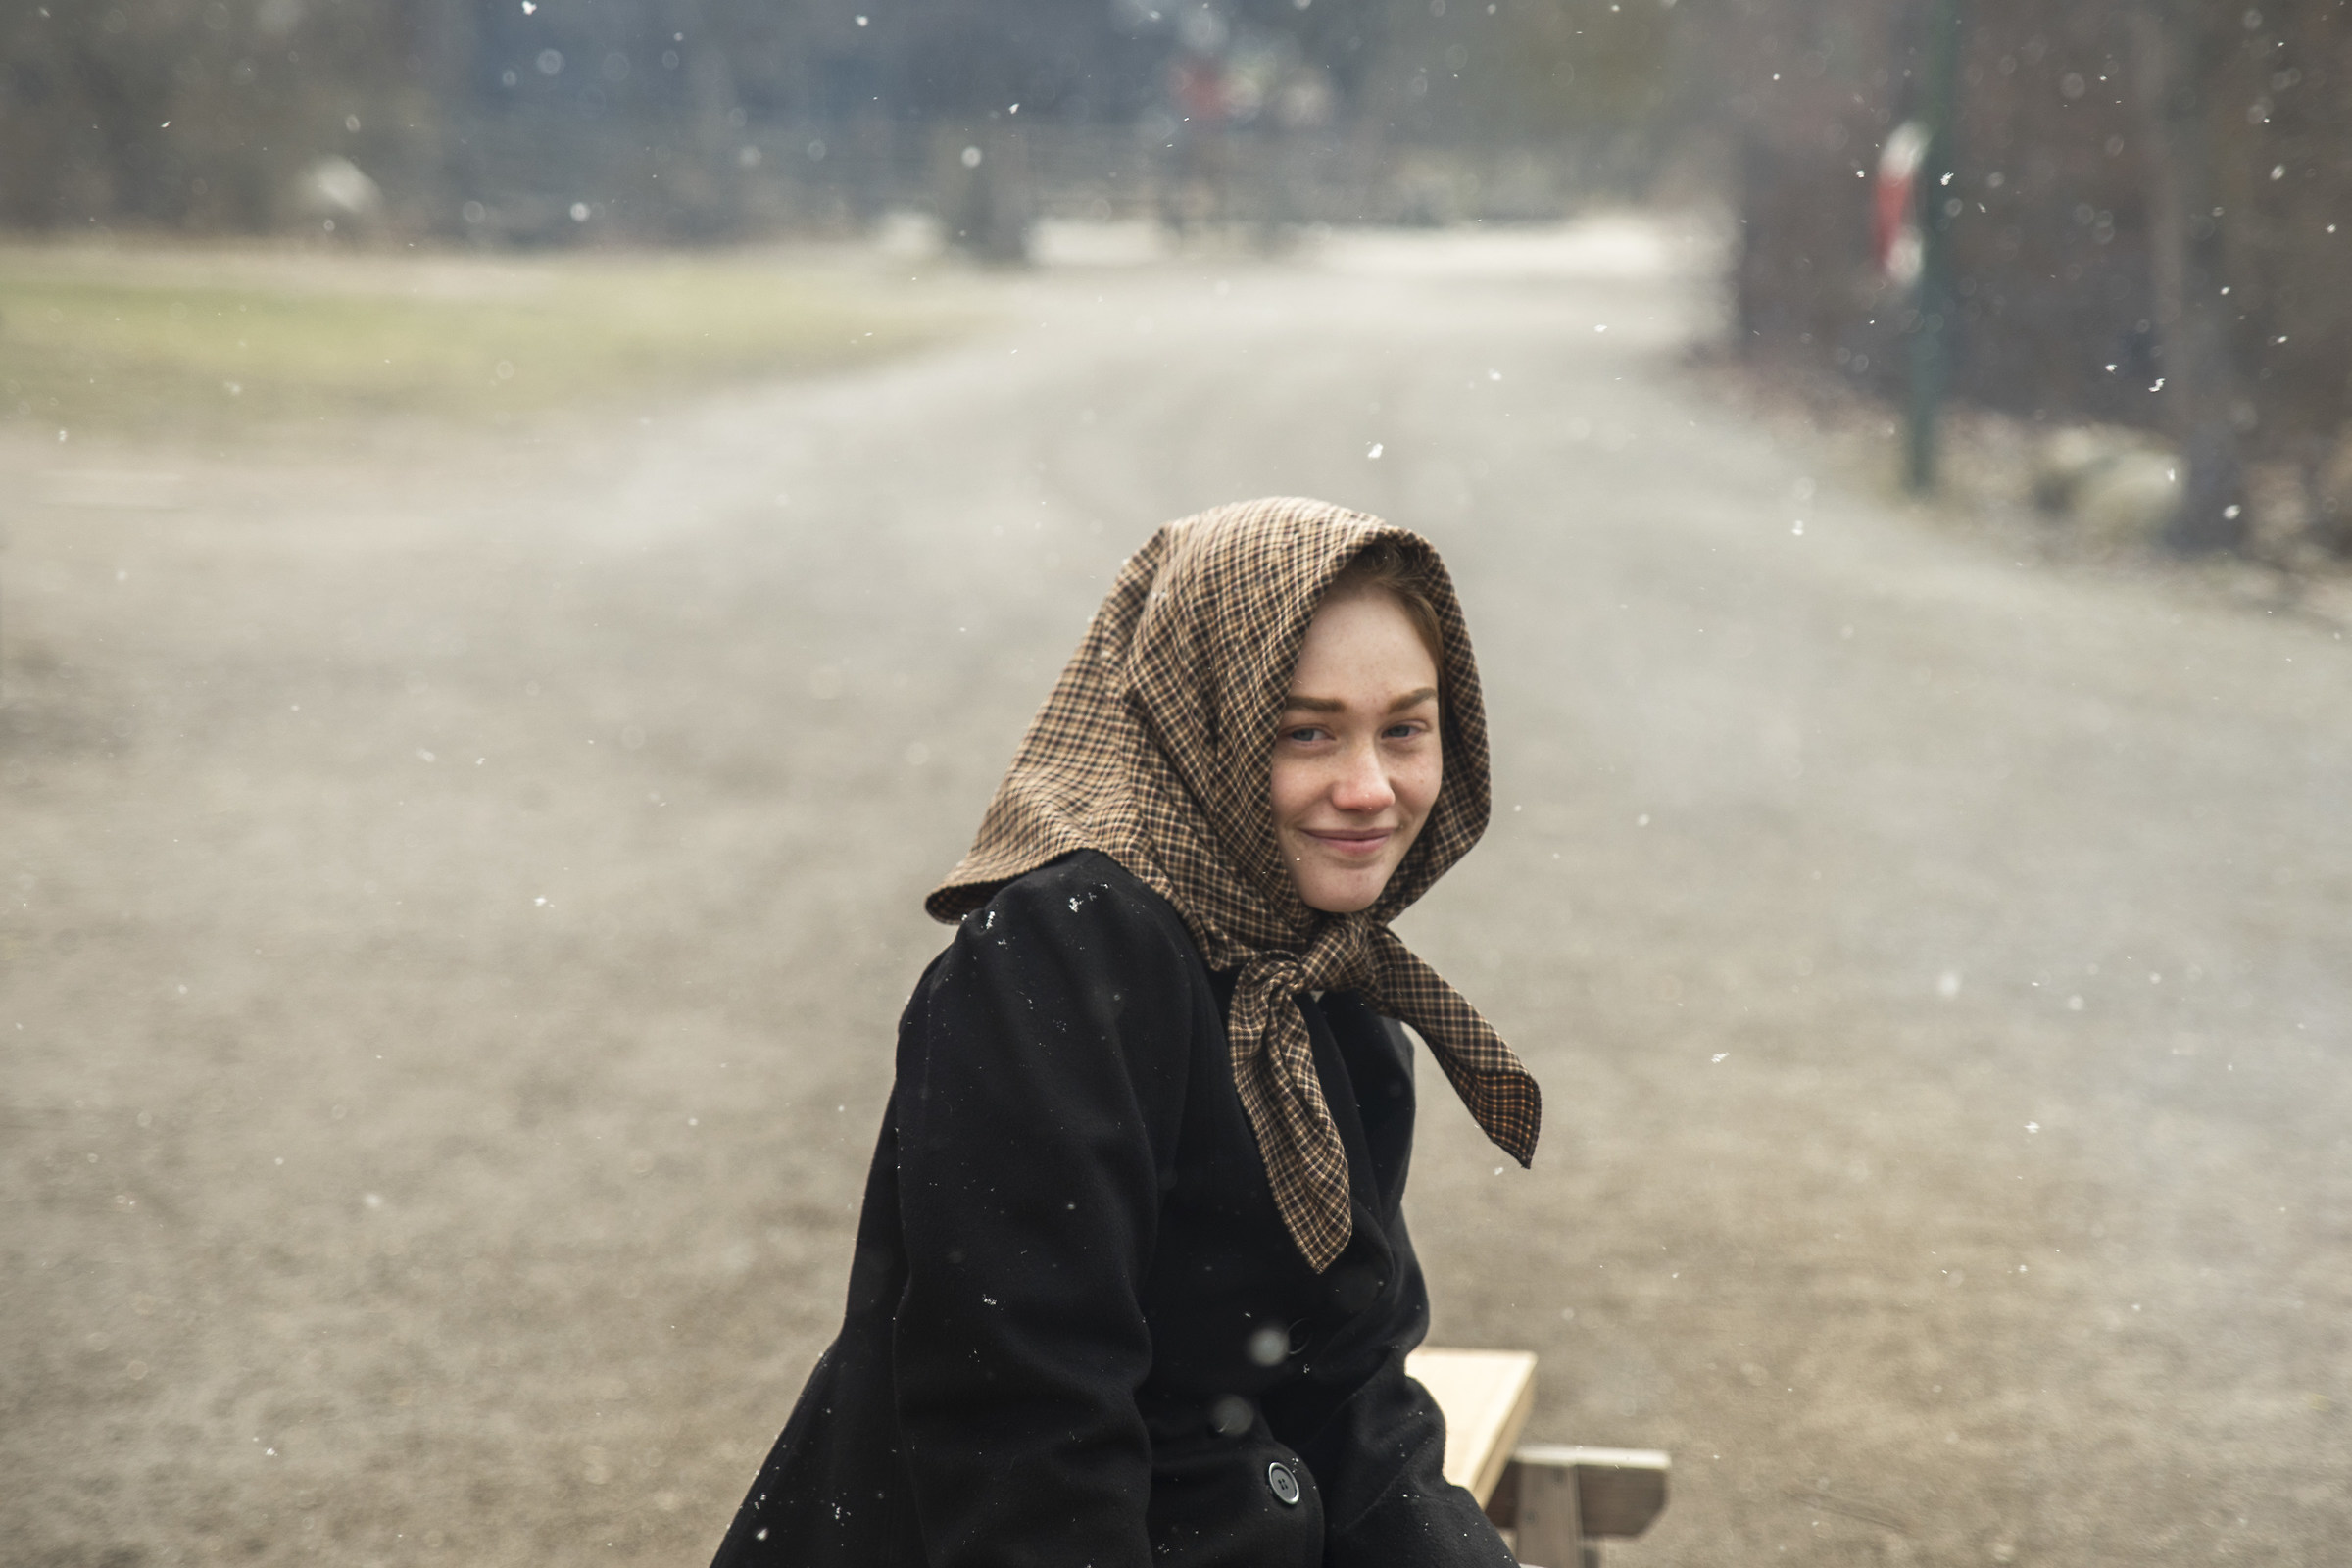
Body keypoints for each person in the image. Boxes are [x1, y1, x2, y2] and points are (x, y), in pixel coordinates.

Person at [709, 497, 1543, 1568]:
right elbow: (1026, 1427)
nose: (1368, 788)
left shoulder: (1326, 981)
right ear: (1201, 719)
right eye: (1306, 730)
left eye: (1404, 729)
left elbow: (1350, 1397)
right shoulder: (1060, 953)